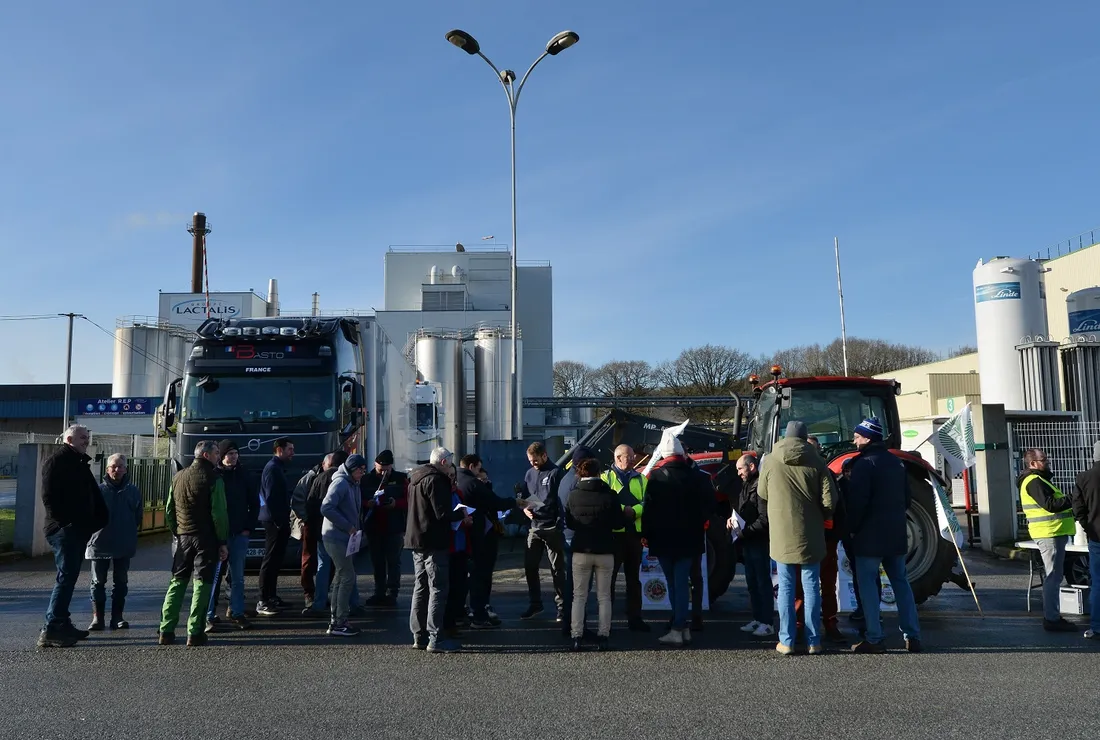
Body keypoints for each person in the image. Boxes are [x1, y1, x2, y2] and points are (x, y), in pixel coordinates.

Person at [758, 420, 835, 656]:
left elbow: (762, 493)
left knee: (786, 588)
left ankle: (787, 640)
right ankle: (814, 641)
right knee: (812, 586)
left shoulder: (770, 460)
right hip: (810, 532)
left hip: (781, 533)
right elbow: (829, 500)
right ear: (804, 437)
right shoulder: (817, 461)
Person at [845, 417, 922, 653]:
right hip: (896, 535)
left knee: (868, 585)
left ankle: (875, 638)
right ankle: (913, 635)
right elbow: (907, 499)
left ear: (867, 438)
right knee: (901, 583)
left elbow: (857, 503)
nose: (854, 440)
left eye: (857, 436)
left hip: (869, 538)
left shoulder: (864, 465)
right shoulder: (897, 464)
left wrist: (852, 529)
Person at [38, 424, 108, 648]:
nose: (86, 441)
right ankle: (52, 628)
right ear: (69, 439)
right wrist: (66, 524)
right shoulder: (57, 461)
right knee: (66, 577)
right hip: (65, 530)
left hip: (76, 529)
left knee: (68, 577)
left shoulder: (78, 462)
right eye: (81, 438)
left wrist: (96, 520)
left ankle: (62, 623)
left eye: (87, 438)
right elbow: (48, 496)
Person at [642, 434, 711, 648]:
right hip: (690, 538)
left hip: (663, 538)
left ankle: (678, 626)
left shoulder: (655, 477)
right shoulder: (699, 476)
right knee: (682, 582)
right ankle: (682, 626)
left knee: (674, 584)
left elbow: (649, 510)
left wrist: (645, 534)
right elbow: (709, 507)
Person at [159, 441, 229, 647]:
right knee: (202, 584)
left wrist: (178, 531)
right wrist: (222, 541)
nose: (219, 456)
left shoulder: (178, 477)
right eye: (216, 453)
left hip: (183, 537)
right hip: (205, 538)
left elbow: (169, 510)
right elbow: (219, 514)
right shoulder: (214, 478)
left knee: (177, 582)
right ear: (206, 455)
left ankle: (166, 630)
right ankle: (195, 632)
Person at [406, 447, 468, 653]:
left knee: (420, 586)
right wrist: (462, 515)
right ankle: (436, 637)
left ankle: (418, 635)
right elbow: (442, 514)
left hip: (416, 539)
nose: (451, 467)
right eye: (450, 463)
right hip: (434, 540)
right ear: (443, 463)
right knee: (438, 588)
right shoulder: (436, 480)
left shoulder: (415, 477)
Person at [566, 457, 628, 652]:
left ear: (580, 473)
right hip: (605, 549)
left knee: (579, 596)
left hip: (581, 549)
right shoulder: (609, 495)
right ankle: (603, 635)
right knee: (604, 596)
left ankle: (576, 636)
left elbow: (569, 523)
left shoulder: (573, 496)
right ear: (599, 472)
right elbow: (618, 523)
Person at [1018, 447, 1078, 632]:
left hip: (1052, 532)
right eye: (1043, 460)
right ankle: (1052, 618)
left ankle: (1052, 616)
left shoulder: (1038, 480)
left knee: (1054, 575)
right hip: (1049, 533)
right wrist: (1074, 498)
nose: (1047, 462)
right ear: (1032, 463)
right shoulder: (1034, 481)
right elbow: (1051, 505)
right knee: (1053, 577)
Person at [456, 454, 515, 629]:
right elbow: (495, 502)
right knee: (480, 575)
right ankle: (479, 614)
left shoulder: (456, 479)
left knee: (461, 576)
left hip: (462, 536)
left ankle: (461, 613)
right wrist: (515, 502)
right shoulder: (472, 483)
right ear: (472, 466)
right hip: (478, 535)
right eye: (478, 468)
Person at [85, 453, 141, 631]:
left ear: (126, 469)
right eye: (113, 467)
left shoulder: (133, 491)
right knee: (97, 583)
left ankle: (117, 617)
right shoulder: (98, 491)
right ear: (107, 469)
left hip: (123, 544)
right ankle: (97, 618)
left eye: (120, 466)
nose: (117, 470)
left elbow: (137, 516)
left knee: (121, 582)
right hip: (99, 544)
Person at [206, 440, 257, 631]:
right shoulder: (214, 475)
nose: (233, 457)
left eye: (236, 453)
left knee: (237, 577)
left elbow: (254, 503)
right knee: (214, 576)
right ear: (221, 456)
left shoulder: (245, 475)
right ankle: (209, 614)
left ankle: (237, 612)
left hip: (239, 534)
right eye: (229, 453)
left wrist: (248, 528)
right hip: (218, 535)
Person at [519, 442, 569, 625]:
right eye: (530, 461)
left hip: (551, 527)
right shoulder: (529, 474)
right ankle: (535, 603)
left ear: (544, 456)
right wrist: (524, 509)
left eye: (535, 460)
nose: (533, 464)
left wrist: (558, 525)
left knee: (557, 569)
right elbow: (523, 497)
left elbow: (561, 502)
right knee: (530, 566)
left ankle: (562, 607)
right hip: (534, 526)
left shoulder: (556, 473)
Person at [602, 444, 649, 633]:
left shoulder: (642, 479)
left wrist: (635, 510)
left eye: (633, 456)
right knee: (609, 580)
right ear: (618, 458)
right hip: (613, 536)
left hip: (634, 536)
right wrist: (624, 511)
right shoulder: (605, 478)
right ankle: (607, 622)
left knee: (634, 580)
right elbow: (605, 501)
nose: (633, 459)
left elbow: (648, 502)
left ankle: (635, 619)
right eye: (629, 457)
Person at [320, 454, 368, 637]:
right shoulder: (340, 483)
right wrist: (348, 526)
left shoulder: (352, 483)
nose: (362, 474)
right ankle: (339, 622)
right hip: (336, 537)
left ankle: (337, 620)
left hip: (343, 538)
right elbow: (326, 507)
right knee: (347, 576)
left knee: (341, 576)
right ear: (353, 468)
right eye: (361, 471)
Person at [730, 453, 773, 637]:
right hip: (747, 541)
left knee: (762, 583)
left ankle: (767, 622)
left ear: (752, 467)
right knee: (752, 583)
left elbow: (764, 520)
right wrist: (732, 521)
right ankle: (758, 618)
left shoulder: (760, 487)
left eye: (741, 469)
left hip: (758, 541)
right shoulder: (746, 485)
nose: (738, 473)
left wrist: (745, 531)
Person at [361, 449, 409, 607]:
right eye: (381, 470)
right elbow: (358, 498)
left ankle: (392, 593)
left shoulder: (401, 478)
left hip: (394, 527)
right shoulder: (366, 479)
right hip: (374, 527)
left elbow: (409, 500)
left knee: (393, 561)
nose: (383, 474)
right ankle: (379, 592)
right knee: (377, 561)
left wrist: (397, 504)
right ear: (375, 465)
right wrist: (367, 503)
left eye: (387, 470)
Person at [306, 450, 350, 617]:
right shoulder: (344, 480)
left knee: (323, 566)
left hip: (322, 530)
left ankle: (319, 601)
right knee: (346, 568)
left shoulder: (319, 478)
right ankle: (350, 604)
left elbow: (310, 504)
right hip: (342, 530)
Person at [257, 437, 294, 616]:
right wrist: (279, 522)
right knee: (270, 559)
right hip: (274, 522)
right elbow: (271, 498)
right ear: (279, 450)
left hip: (277, 520)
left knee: (276, 560)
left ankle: (271, 595)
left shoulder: (277, 467)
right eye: (289, 449)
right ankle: (263, 599)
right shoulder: (272, 469)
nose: (292, 453)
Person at [1072, 440, 1100, 640]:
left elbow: (1078, 508)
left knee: (1098, 582)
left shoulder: (1083, 478)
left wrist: (1087, 526)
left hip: (1096, 535)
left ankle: (1097, 626)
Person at [443, 472, 473, 638]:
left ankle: (454, 619)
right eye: (450, 478)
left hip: (461, 546)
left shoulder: (458, 493)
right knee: (449, 588)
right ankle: (448, 624)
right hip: (449, 547)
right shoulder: (443, 495)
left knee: (460, 587)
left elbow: (464, 513)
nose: (453, 481)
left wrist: (467, 519)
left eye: (454, 477)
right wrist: (461, 518)